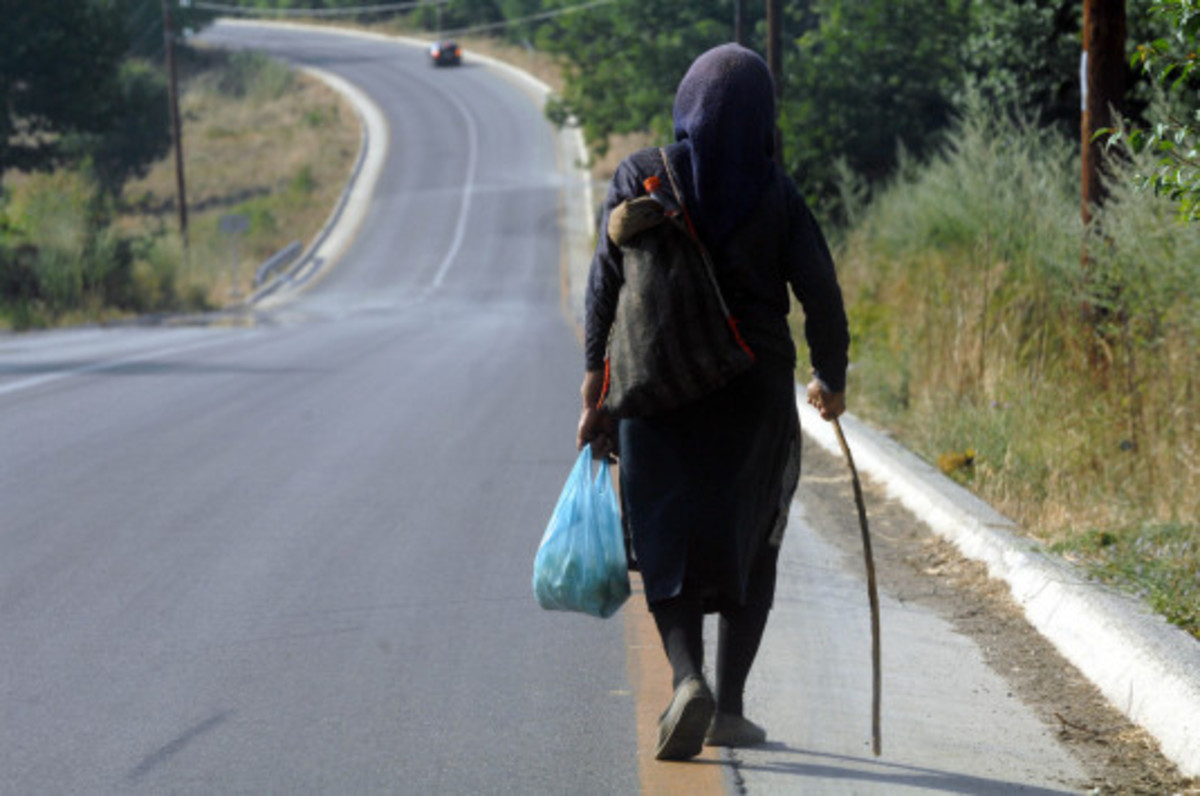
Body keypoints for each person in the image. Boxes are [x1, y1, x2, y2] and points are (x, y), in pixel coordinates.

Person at [576, 43, 850, 762]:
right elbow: (820, 292)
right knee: (751, 538)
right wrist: (831, 376)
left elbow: (605, 288)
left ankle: (686, 677)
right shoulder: (775, 191)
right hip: (753, 392)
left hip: (654, 388)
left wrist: (593, 387)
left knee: (665, 533)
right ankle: (728, 707)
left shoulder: (642, 176)